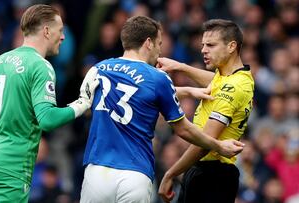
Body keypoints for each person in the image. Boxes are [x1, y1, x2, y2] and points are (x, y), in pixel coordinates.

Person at [80, 16, 245, 203]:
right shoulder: (158, 78)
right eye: (159, 44)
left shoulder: (99, 69)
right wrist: (218, 145)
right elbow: (182, 128)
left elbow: (87, 104)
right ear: (148, 43)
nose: (160, 51)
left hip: (97, 170)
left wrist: (187, 90)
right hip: (135, 173)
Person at [0, 4, 99, 203]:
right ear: (46, 31)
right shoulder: (41, 66)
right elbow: (47, 119)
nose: (62, 37)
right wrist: (82, 104)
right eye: (60, 30)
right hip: (10, 168)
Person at [157, 19, 254, 203]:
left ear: (231, 46)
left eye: (210, 45)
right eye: (202, 45)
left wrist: (171, 173)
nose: (203, 50)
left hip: (213, 176)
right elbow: (214, 82)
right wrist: (180, 67)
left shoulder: (235, 87)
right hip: (206, 173)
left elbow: (205, 142)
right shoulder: (232, 77)